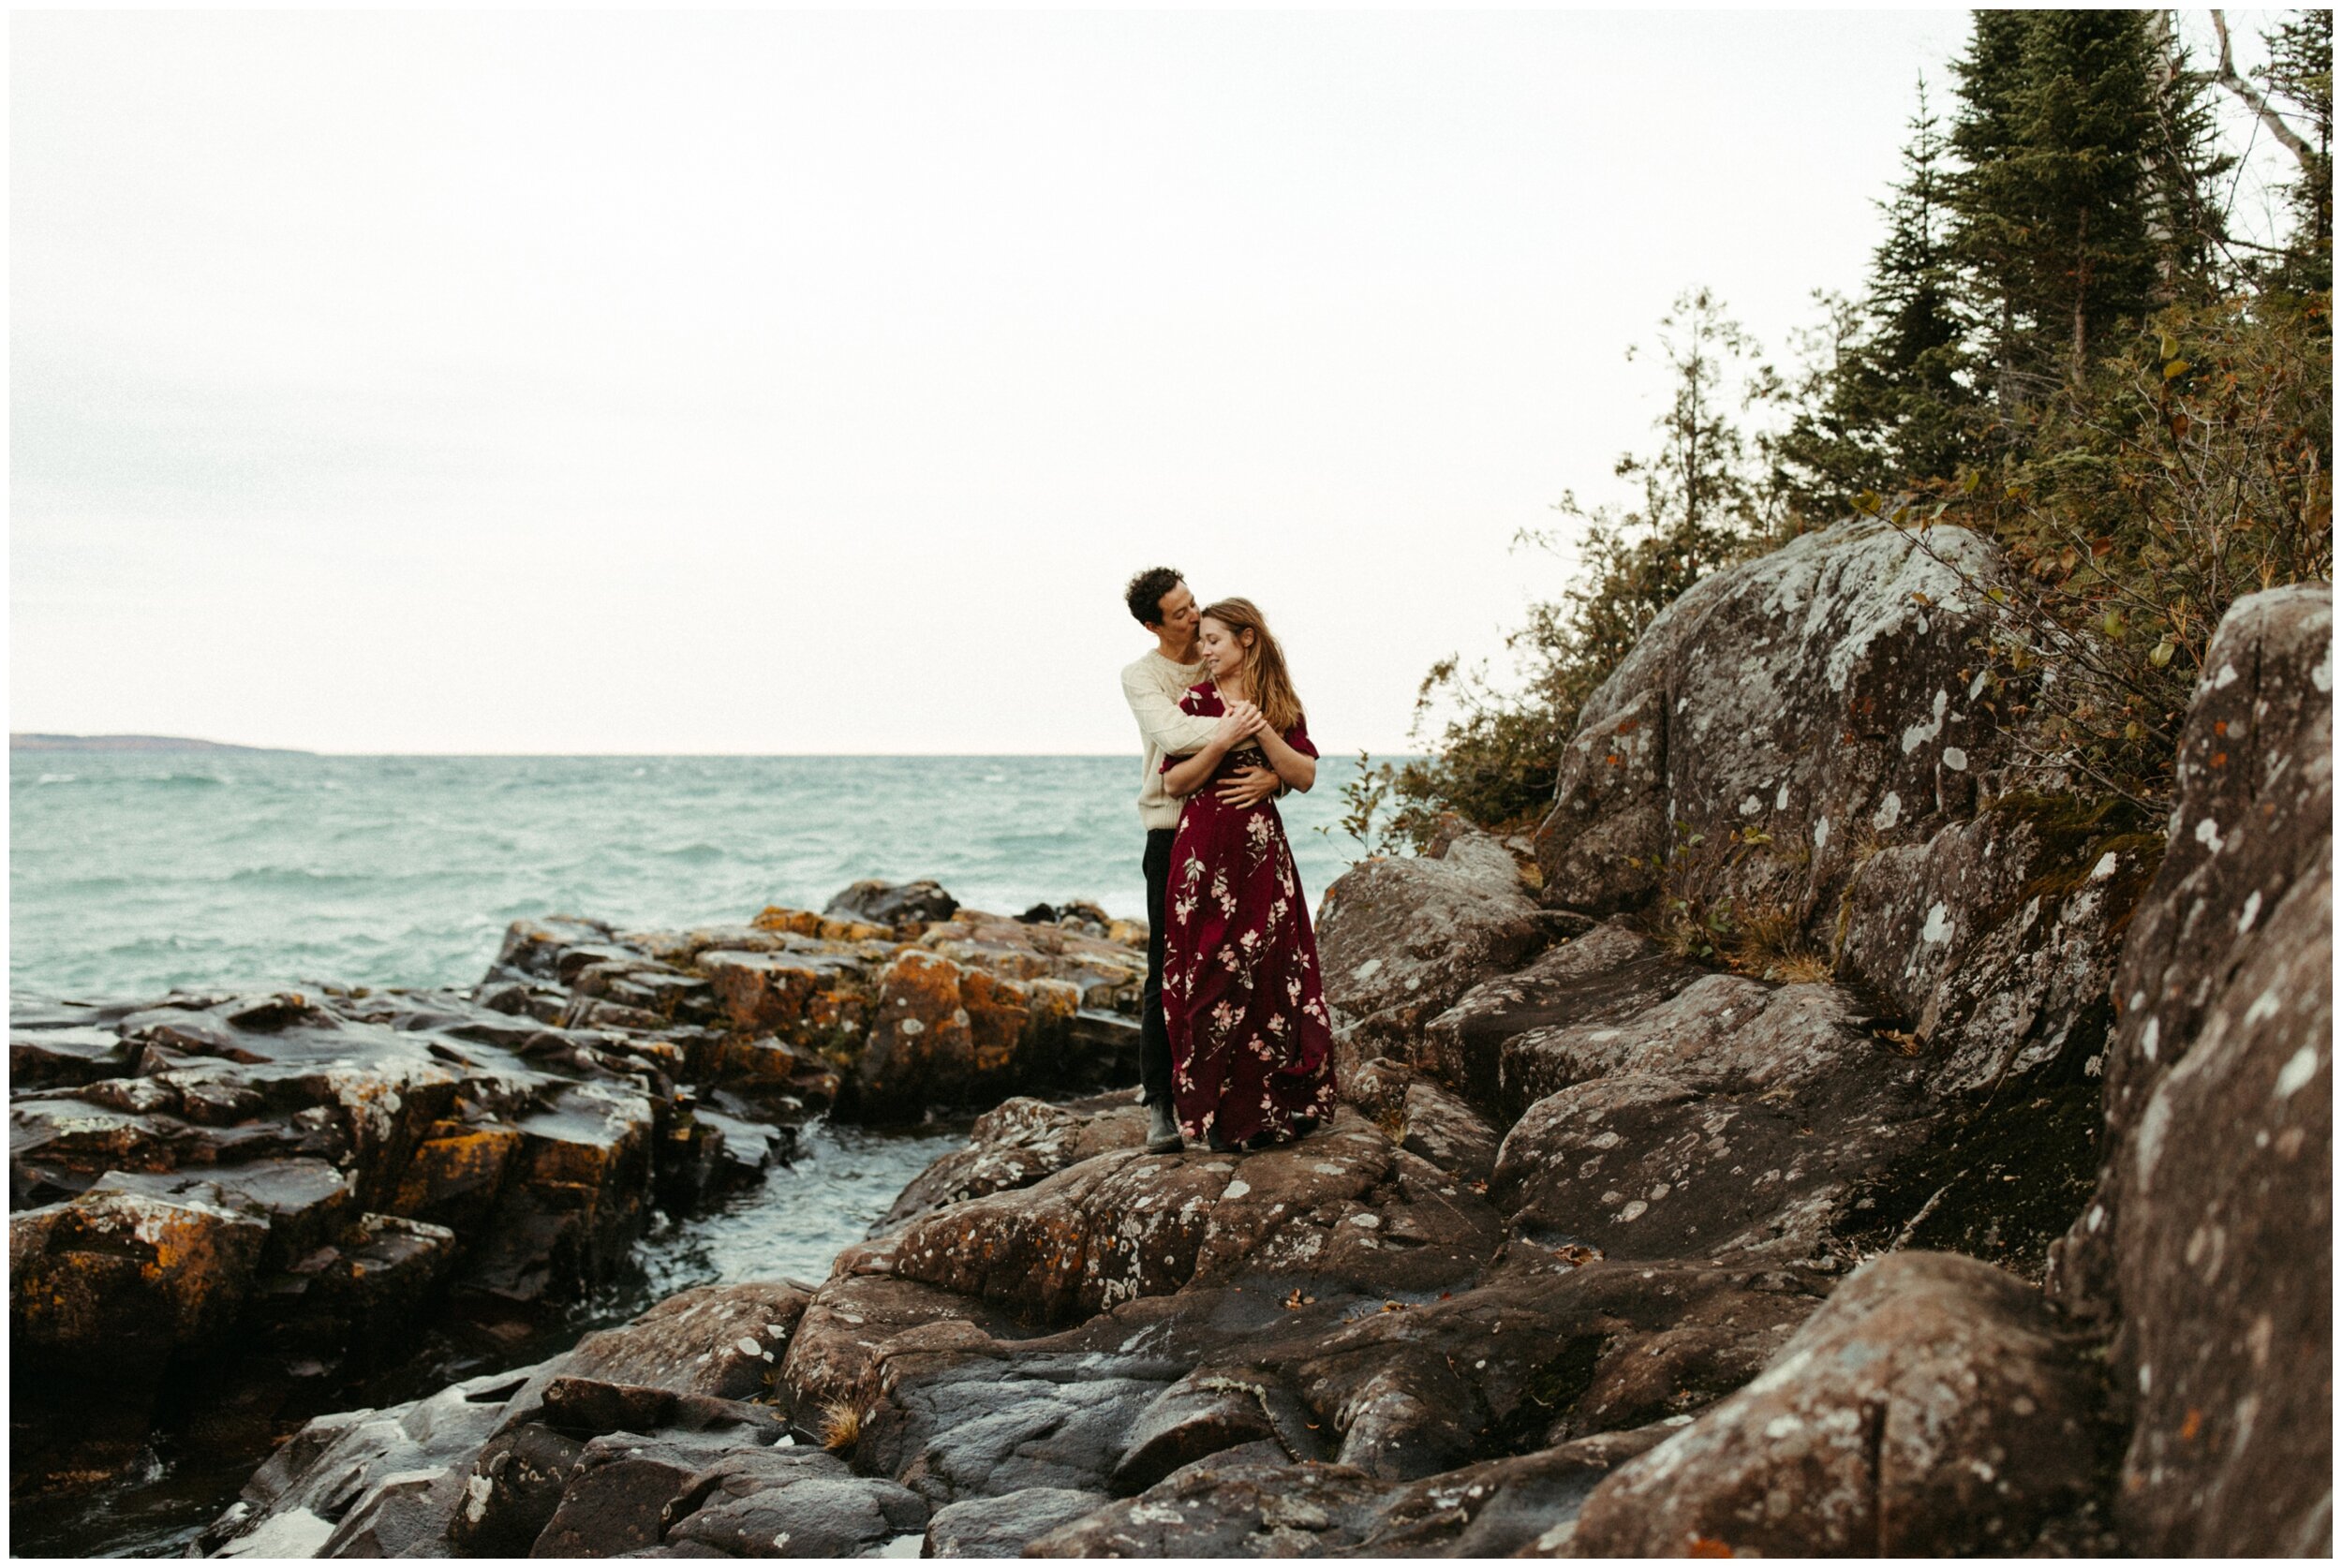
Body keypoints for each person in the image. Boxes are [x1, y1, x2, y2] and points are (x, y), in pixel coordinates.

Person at [1156, 597, 1336, 1151]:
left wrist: (1262, 741)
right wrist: (1222, 739)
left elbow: (1303, 775)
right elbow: (1175, 783)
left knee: (1273, 972)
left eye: (1214, 640)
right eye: (1202, 640)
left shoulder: (1279, 701)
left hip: (1261, 854)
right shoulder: (1194, 702)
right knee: (1209, 976)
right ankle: (1212, 1115)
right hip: (1203, 856)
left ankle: (1274, 1107)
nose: (1204, 650)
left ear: (1246, 640)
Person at [1119, 569, 1282, 1155]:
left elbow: (1280, 714)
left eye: (1193, 605)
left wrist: (1275, 774)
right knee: (1167, 963)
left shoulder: (1223, 648)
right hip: (1171, 831)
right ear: (1152, 624)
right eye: (1181, 613)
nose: (1195, 618)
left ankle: (1231, 1096)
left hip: (1236, 830)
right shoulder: (1143, 677)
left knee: (1239, 962)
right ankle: (1160, 1102)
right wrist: (1248, 732)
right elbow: (1176, 735)